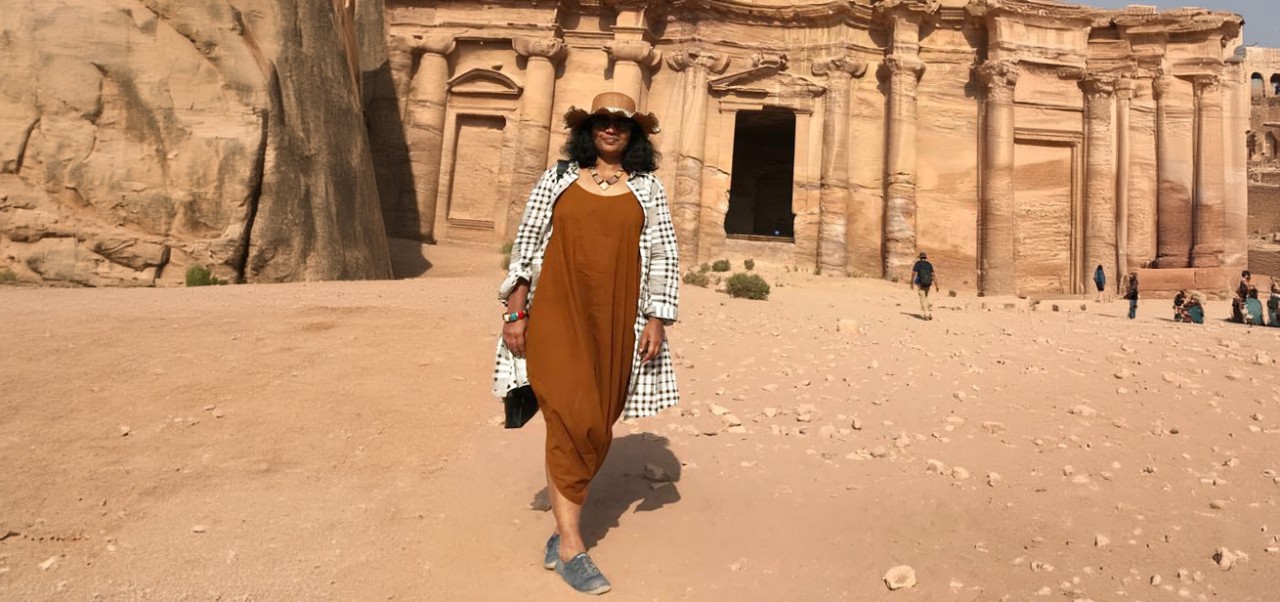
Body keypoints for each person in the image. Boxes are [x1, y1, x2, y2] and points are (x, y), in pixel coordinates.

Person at [491, 91, 680, 596]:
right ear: (588, 129)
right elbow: (527, 244)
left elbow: (664, 255)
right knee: (569, 416)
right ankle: (573, 544)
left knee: (598, 422)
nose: (611, 129)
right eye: (602, 121)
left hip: (617, 319)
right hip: (557, 313)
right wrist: (515, 310)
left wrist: (657, 319)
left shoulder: (648, 189)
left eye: (621, 123)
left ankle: (562, 523)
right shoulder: (556, 178)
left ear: (633, 134)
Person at [911, 252, 939, 320]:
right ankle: (928, 312)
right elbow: (933, 275)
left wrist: (911, 282)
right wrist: (936, 285)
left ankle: (926, 315)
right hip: (928, 284)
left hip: (920, 283)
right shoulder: (929, 264)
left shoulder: (918, 263)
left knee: (922, 299)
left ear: (920, 258)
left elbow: (914, 273)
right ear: (925, 258)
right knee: (926, 297)